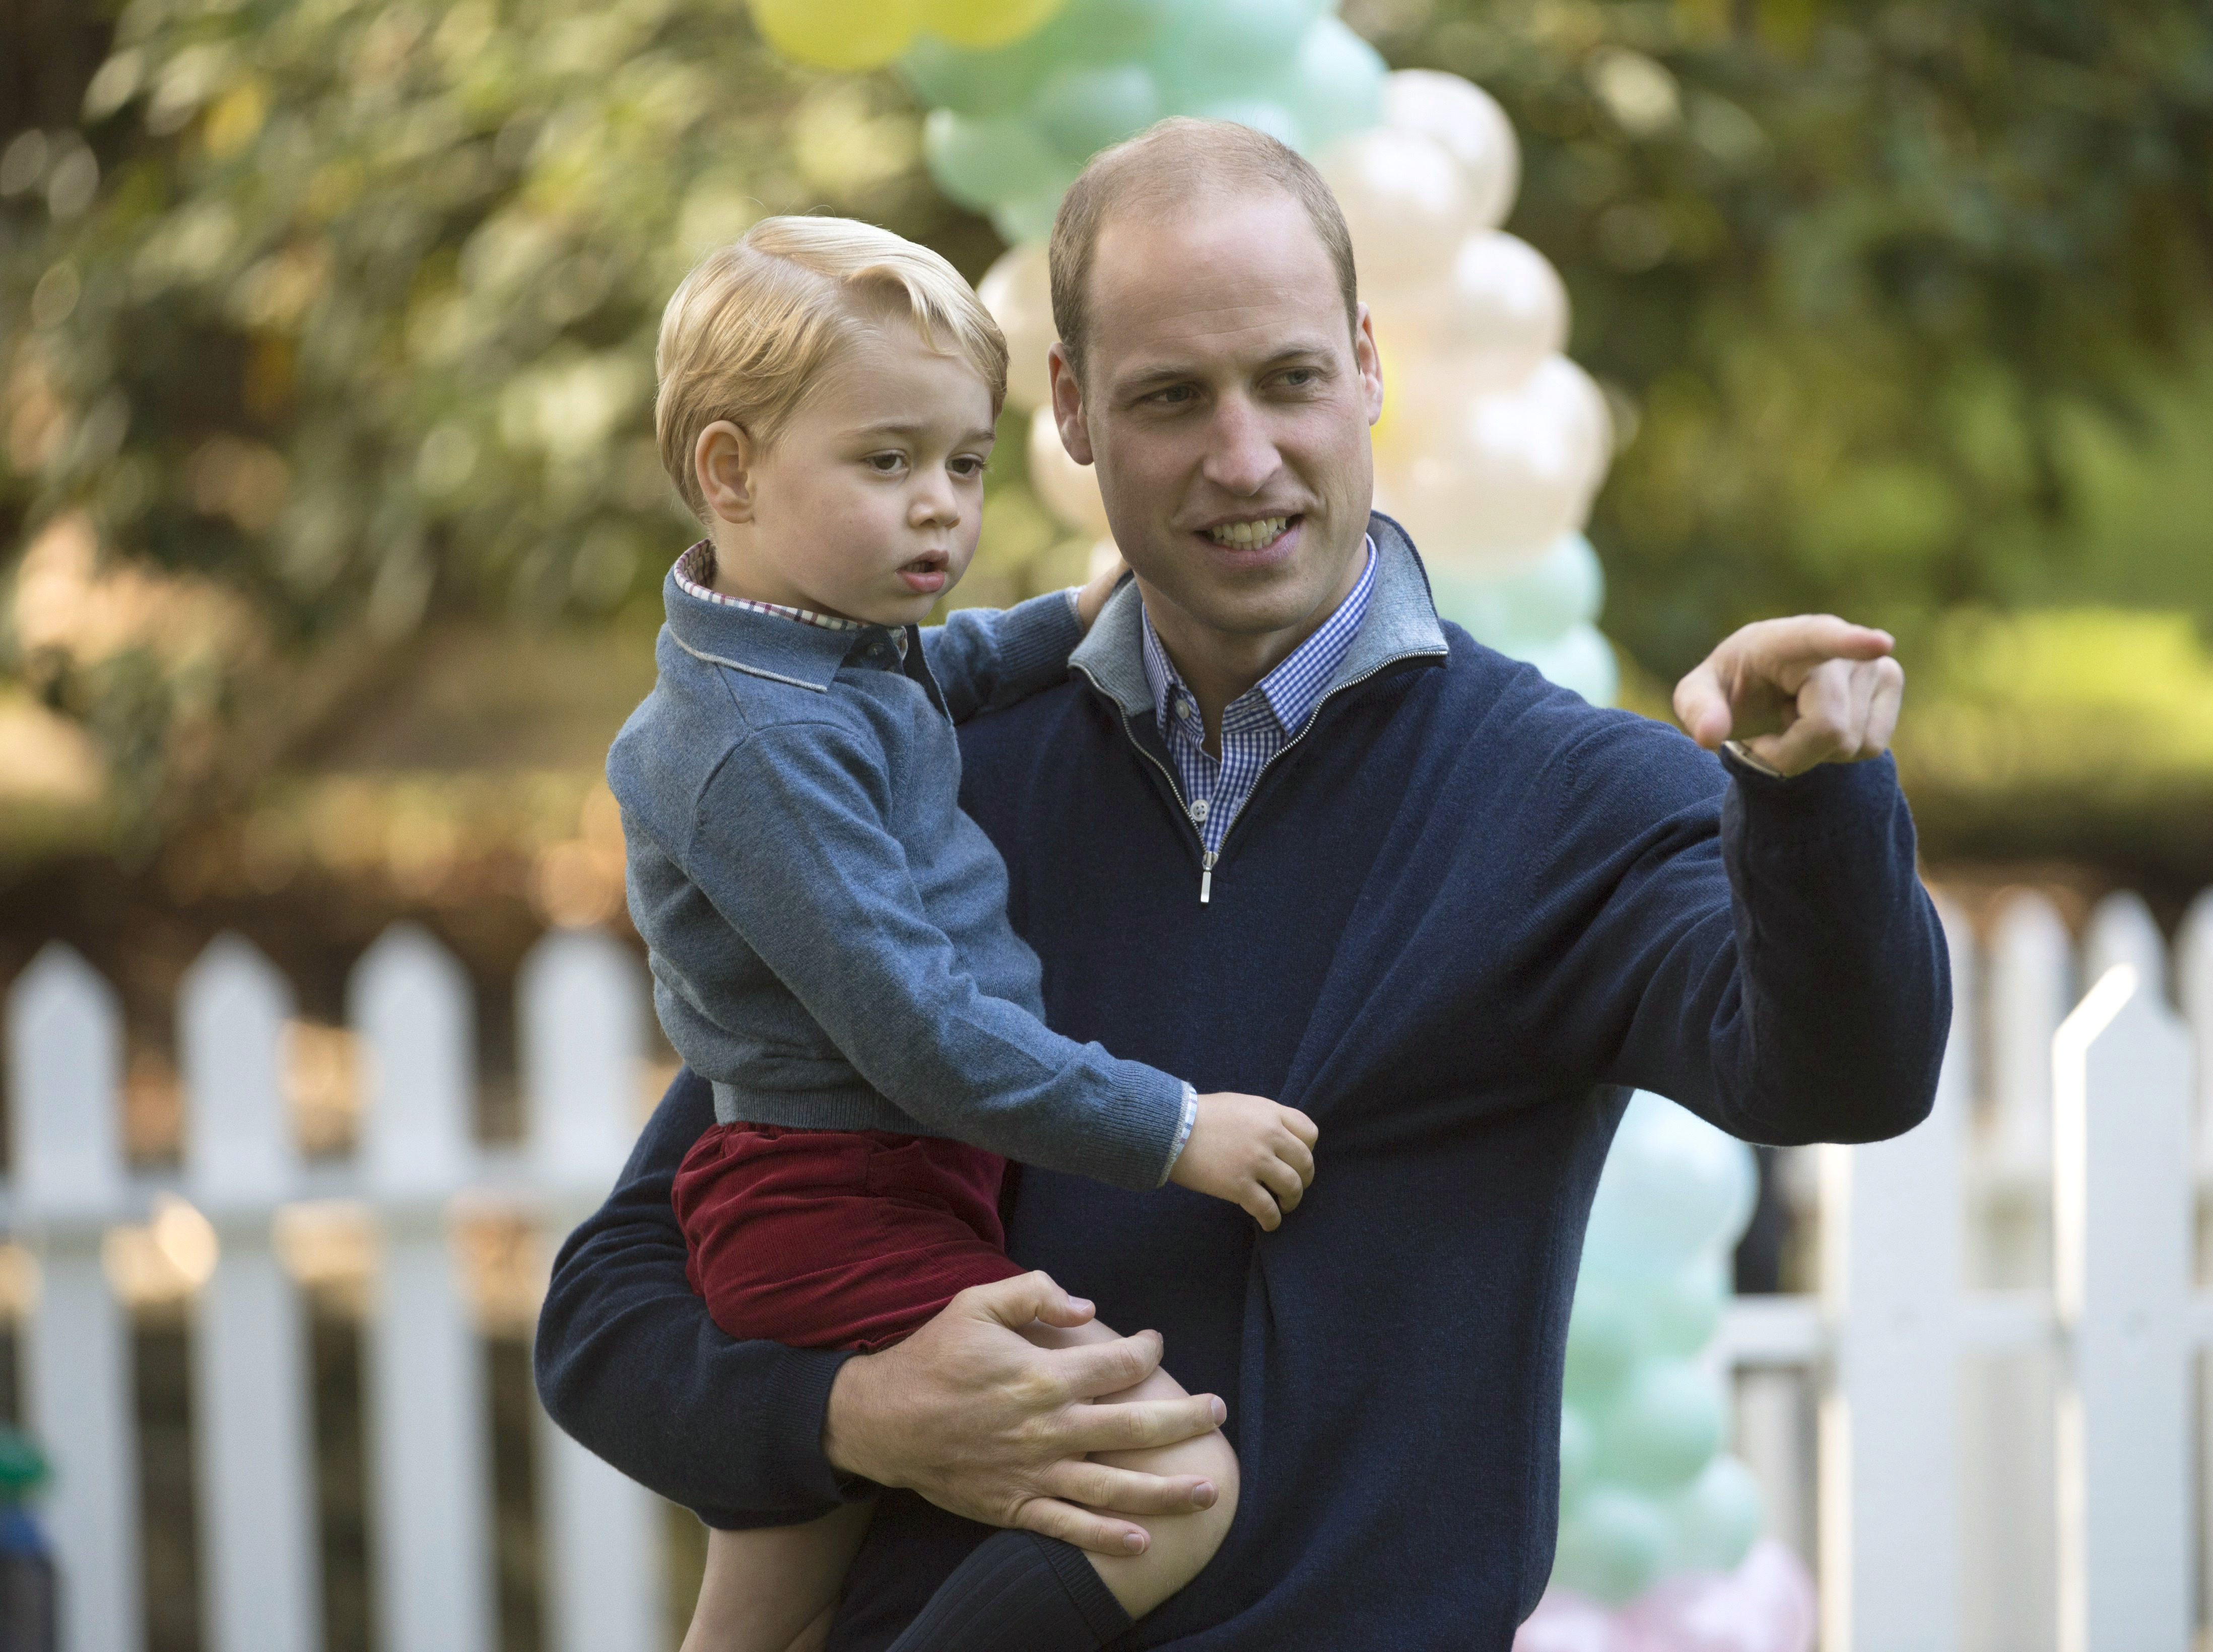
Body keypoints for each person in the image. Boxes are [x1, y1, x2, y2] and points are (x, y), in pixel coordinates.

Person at [540, 121, 1951, 1650]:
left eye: (1287, 379)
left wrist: (1812, 806)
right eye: (1168, 397)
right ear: (1071, 411)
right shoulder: (923, 762)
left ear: (1365, 367)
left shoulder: (1562, 799)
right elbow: (619, 1304)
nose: (1243, 455)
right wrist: (856, 1415)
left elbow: (1847, 1074)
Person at [608, 214, 1322, 1651]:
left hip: (865, 1186)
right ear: (729, 471)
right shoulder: (753, 750)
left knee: (763, 1614)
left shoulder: (814, 649)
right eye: (887, 463)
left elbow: (933, 674)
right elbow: (919, 1032)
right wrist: (1175, 1127)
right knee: (1173, 1480)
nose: (941, 506)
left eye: (964, 463)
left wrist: (1067, 618)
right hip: (837, 1201)